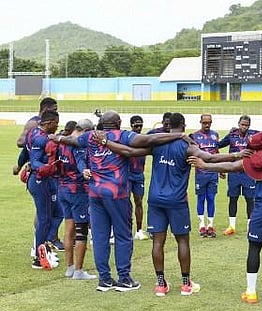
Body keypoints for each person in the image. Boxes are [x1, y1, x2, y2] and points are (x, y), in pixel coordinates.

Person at [95, 112, 247, 297]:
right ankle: (185, 284)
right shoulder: (187, 146)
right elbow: (210, 158)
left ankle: (160, 284)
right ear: (183, 125)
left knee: (158, 242)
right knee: (182, 241)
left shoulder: (157, 144)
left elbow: (130, 152)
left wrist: (105, 143)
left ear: (168, 126)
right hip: (177, 201)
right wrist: (237, 155)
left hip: (155, 200)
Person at [50, 110, 187, 292]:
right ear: (119, 122)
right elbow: (149, 140)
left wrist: (57, 138)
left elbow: (73, 140)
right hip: (117, 193)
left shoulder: (91, 136)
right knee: (122, 235)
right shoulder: (122, 136)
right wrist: (180, 135)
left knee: (100, 237)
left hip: (95, 192)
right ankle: (124, 278)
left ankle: (104, 280)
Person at [188, 131, 262, 307]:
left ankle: (251, 292)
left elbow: (231, 167)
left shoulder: (257, 158)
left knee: (254, 249)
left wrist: (205, 165)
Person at [58, 119, 97, 280]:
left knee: (68, 229)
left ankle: (69, 267)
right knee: (81, 231)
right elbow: (81, 162)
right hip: (77, 191)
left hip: (62, 188)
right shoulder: (78, 144)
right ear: (86, 130)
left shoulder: (62, 142)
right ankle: (79, 271)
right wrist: (84, 171)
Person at [28, 110, 62, 270]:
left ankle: (44, 247)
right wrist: (46, 167)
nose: (57, 126)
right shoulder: (40, 139)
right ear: (49, 123)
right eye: (56, 123)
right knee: (45, 218)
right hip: (40, 181)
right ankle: (38, 257)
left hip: (48, 180)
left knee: (57, 212)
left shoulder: (46, 137)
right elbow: (34, 161)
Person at [217, 115, 258, 235]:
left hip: (249, 173)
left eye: (246, 125)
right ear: (238, 124)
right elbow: (219, 145)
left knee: (250, 199)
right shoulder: (232, 135)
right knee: (233, 198)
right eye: (242, 124)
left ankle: (250, 226)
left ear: (249, 125)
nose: (244, 127)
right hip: (234, 172)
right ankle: (231, 226)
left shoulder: (254, 135)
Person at [190, 114, 220, 237]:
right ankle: (201, 225)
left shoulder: (215, 135)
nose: (207, 125)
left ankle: (210, 225)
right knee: (201, 198)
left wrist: (221, 168)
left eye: (209, 123)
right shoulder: (194, 136)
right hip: (200, 173)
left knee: (211, 198)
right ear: (200, 122)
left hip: (213, 172)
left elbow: (216, 152)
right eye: (204, 123)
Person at [129, 115, 148, 240]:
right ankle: (124, 229)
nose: (139, 128)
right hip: (127, 175)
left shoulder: (144, 139)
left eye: (140, 126)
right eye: (136, 126)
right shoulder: (127, 138)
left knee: (139, 202)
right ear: (131, 125)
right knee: (124, 203)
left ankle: (139, 230)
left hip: (139, 175)